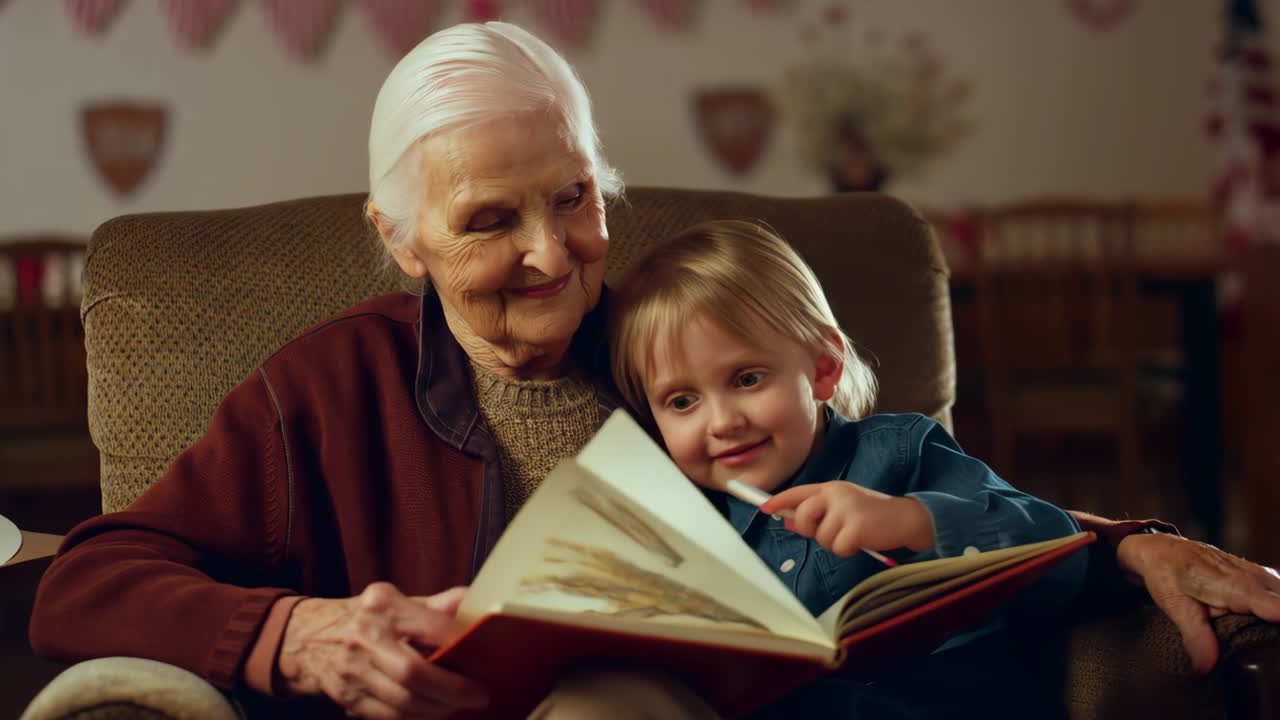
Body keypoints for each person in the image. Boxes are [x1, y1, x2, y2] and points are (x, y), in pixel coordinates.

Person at [28, 19, 1280, 720]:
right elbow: (90, 580)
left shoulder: (679, 355)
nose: (547, 256)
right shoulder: (324, 389)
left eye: (571, 199)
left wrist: (1122, 540)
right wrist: (290, 633)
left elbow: (901, 475)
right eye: (486, 222)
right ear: (399, 241)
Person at [607, 219, 1088, 718]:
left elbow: (1066, 559)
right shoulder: (685, 528)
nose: (723, 422)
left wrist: (914, 519)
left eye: (747, 379)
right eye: (683, 401)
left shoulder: (901, 453)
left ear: (823, 369)